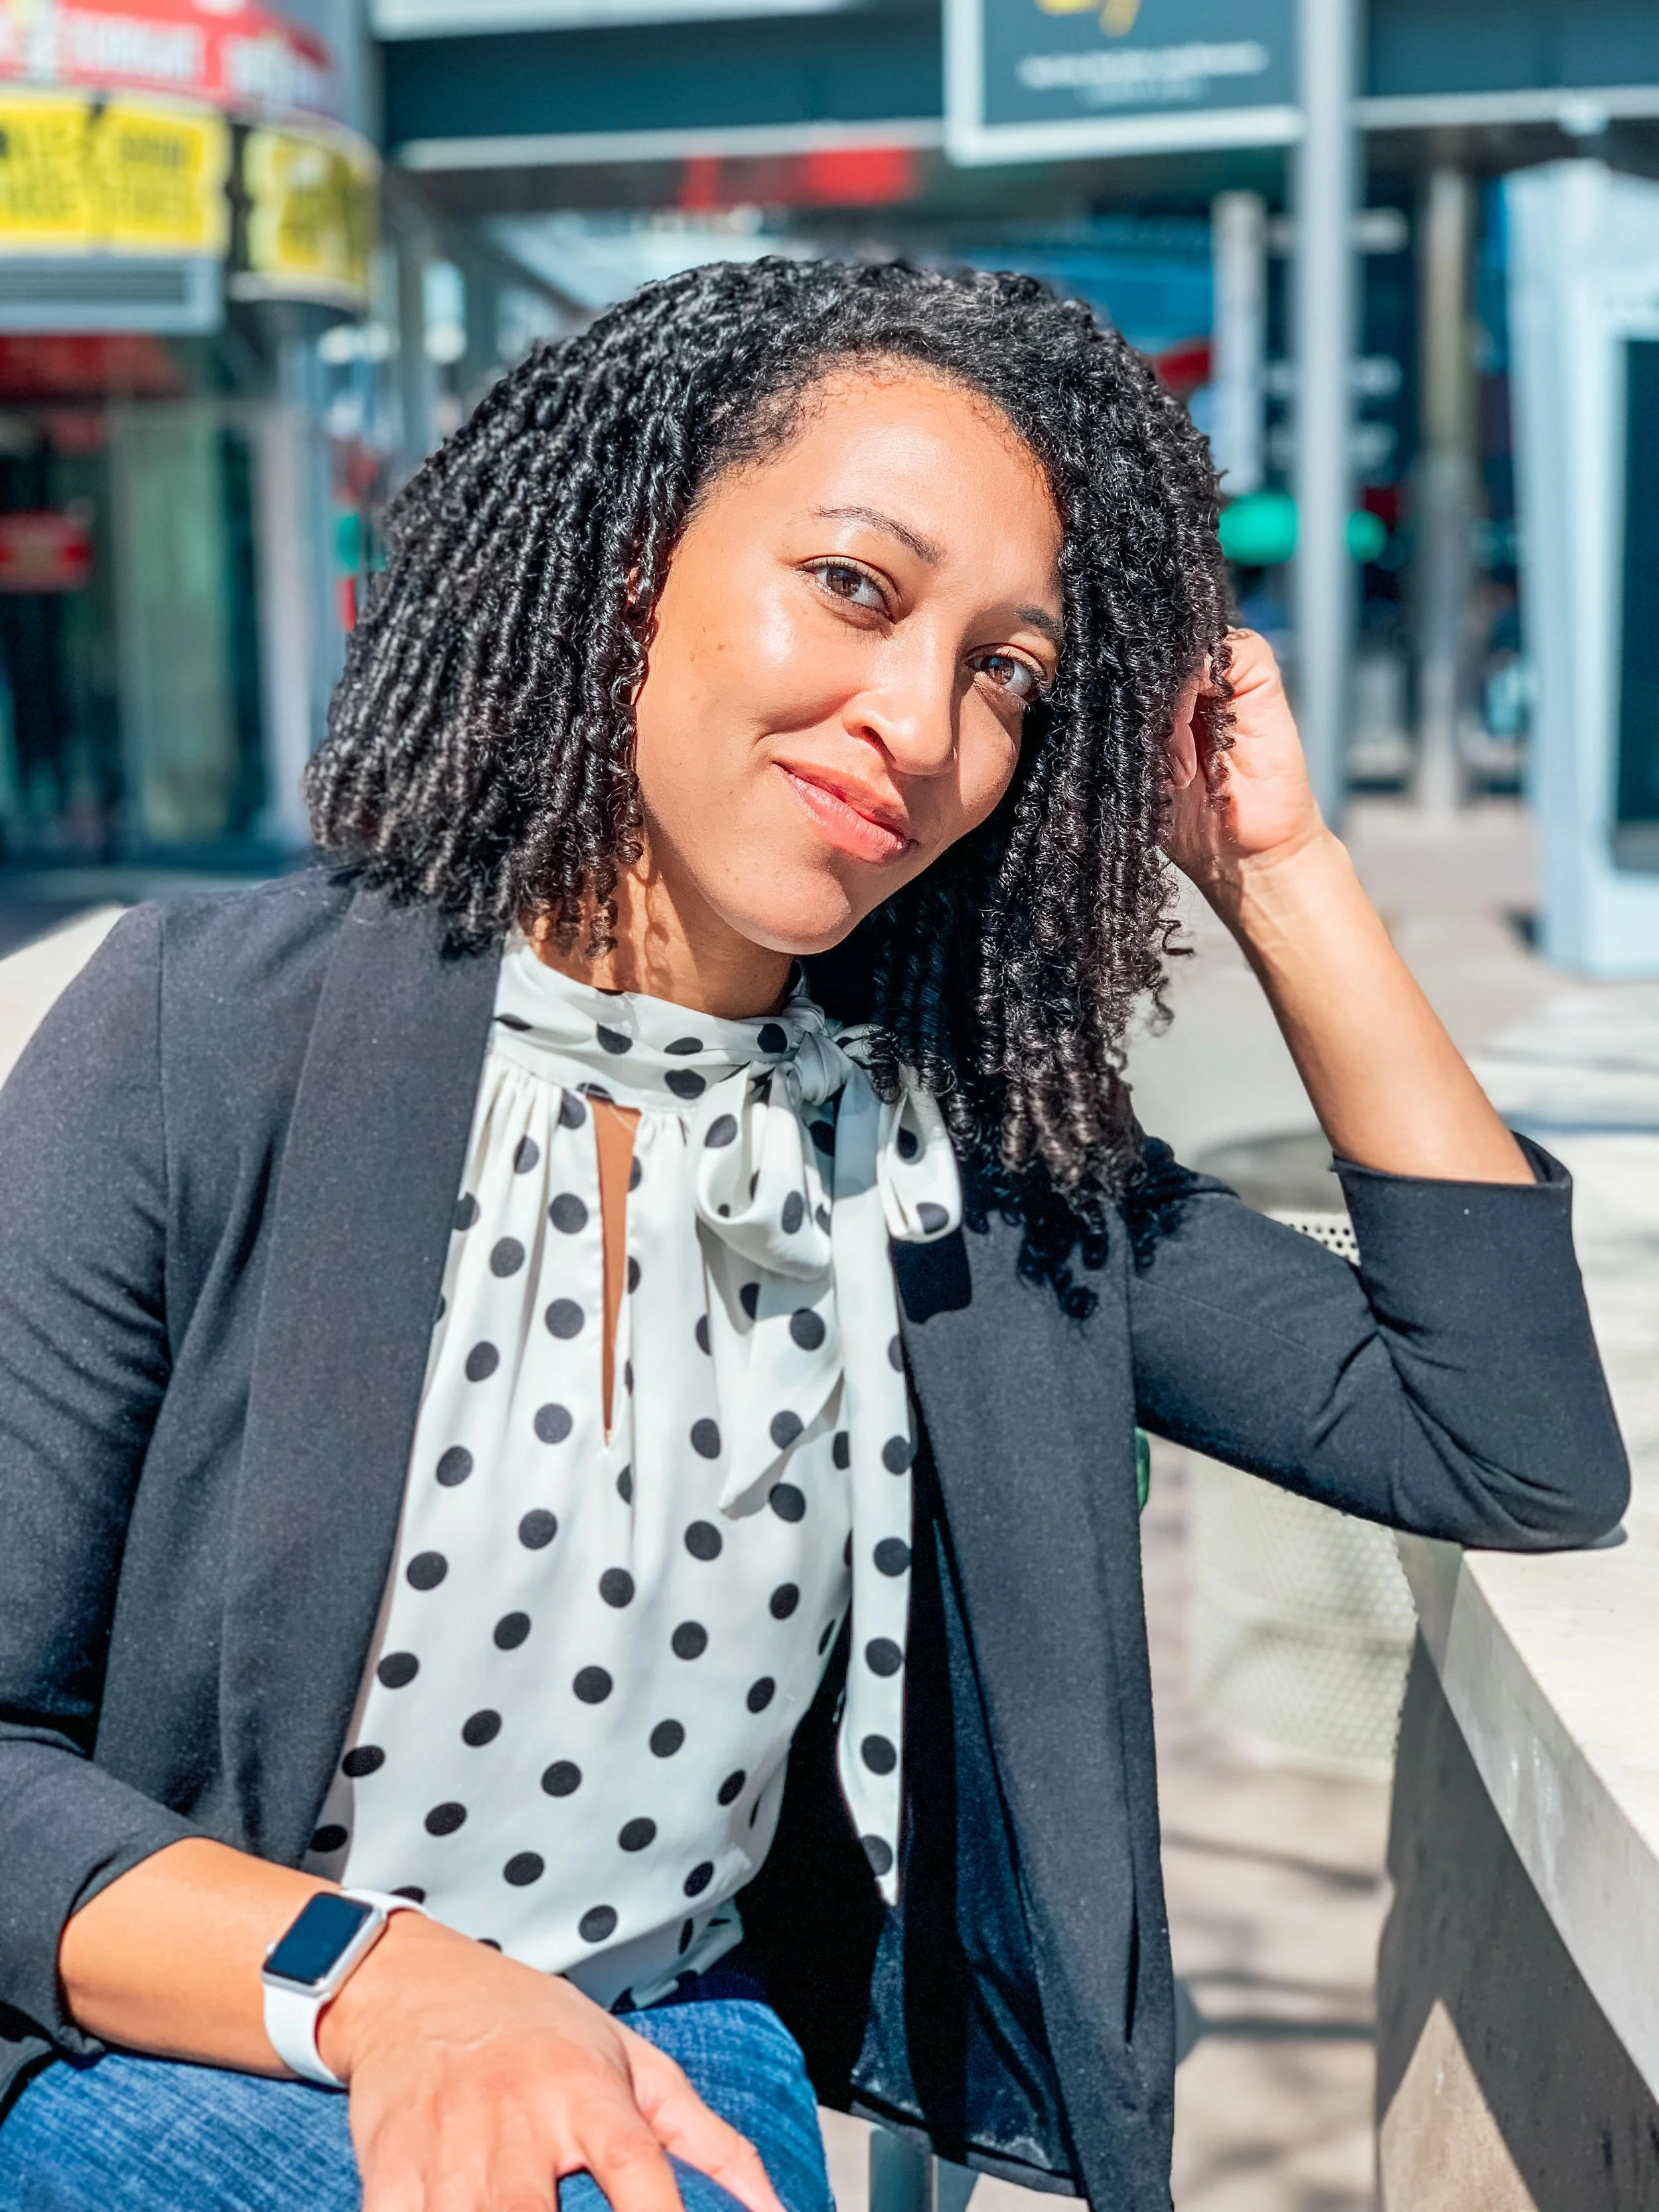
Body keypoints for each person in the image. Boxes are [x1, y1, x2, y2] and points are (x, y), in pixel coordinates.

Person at [0, 259, 1626, 2212]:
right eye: (854, 586)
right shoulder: (209, 1033)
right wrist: (391, 1989)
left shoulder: (973, 1161)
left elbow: (1506, 1440)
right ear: (633, 572)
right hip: (204, 2025)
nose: (917, 717)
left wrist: (1279, 873)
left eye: (1006, 672)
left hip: (670, 2040)